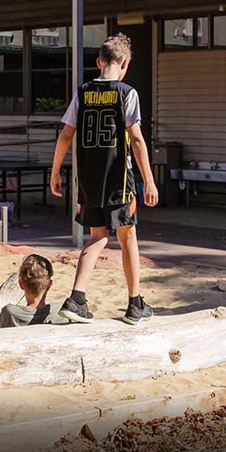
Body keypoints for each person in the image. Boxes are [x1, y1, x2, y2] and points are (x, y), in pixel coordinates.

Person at [48, 33, 159, 325]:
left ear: (99, 62)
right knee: (128, 236)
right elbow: (136, 139)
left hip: (89, 179)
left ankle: (77, 298)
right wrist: (148, 179)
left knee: (97, 237)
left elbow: (65, 134)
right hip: (118, 179)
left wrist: (55, 170)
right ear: (124, 63)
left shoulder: (82, 92)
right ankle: (135, 303)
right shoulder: (126, 93)